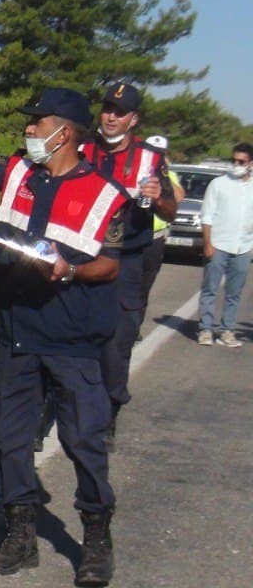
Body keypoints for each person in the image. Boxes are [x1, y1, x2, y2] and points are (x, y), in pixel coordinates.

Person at [0, 57, 129, 587]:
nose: (27, 129)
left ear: (63, 133)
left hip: (72, 341)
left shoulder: (107, 195)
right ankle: (21, 533)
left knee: (84, 440)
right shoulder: (19, 170)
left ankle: (95, 537)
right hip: (17, 336)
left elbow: (112, 262)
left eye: (36, 123)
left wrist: (70, 270)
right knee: (11, 437)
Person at [78, 83, 177, 447]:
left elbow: (170, 209)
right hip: (81, 253)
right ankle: (55, 406)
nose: (111, 117)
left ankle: (109, 413)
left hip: (127, 258)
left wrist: (158, 197)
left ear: (133, 119)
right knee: (67, 333)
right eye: (107, 109)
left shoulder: (150, 158)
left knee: (116, 342)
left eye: (120, 112)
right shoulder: (82, 148)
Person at [196, 143, 253, 346]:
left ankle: (227, 329)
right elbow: (207, 216)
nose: (236, 164)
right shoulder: (218, 184)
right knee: (210, 288)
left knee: (234, 292)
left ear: (251, 164)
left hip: (244, 247)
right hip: (219, 244)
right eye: (234, 160)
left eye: (241, 162)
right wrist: (208, 243)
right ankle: (206, 329)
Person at [139, 135, 186, 327]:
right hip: (135, 233)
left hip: (155, 238)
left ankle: (135, 325)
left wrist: (164, 172)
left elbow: (179, 197)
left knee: (144, 285)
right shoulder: (138, 169)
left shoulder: (169, 174)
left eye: (160, 153)